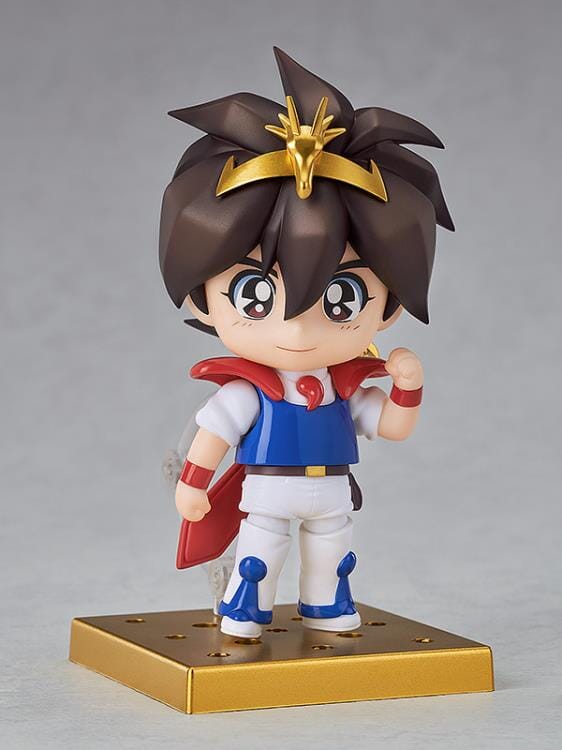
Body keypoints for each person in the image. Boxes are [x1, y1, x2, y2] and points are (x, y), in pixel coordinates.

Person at [159, 47, 453, 638]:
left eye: (342, 297)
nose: (295, 329)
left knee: (333, 556)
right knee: (259, 553)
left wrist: (408, 387)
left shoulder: (346, 385)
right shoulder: (249, 392)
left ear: (390, 306)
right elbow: (215, 436)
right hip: (267, 492)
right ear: (201, 298)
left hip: (332, 492)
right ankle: (246, 607)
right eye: (255, 296)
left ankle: (326, 605)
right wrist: (193, 486)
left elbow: (392, 426)